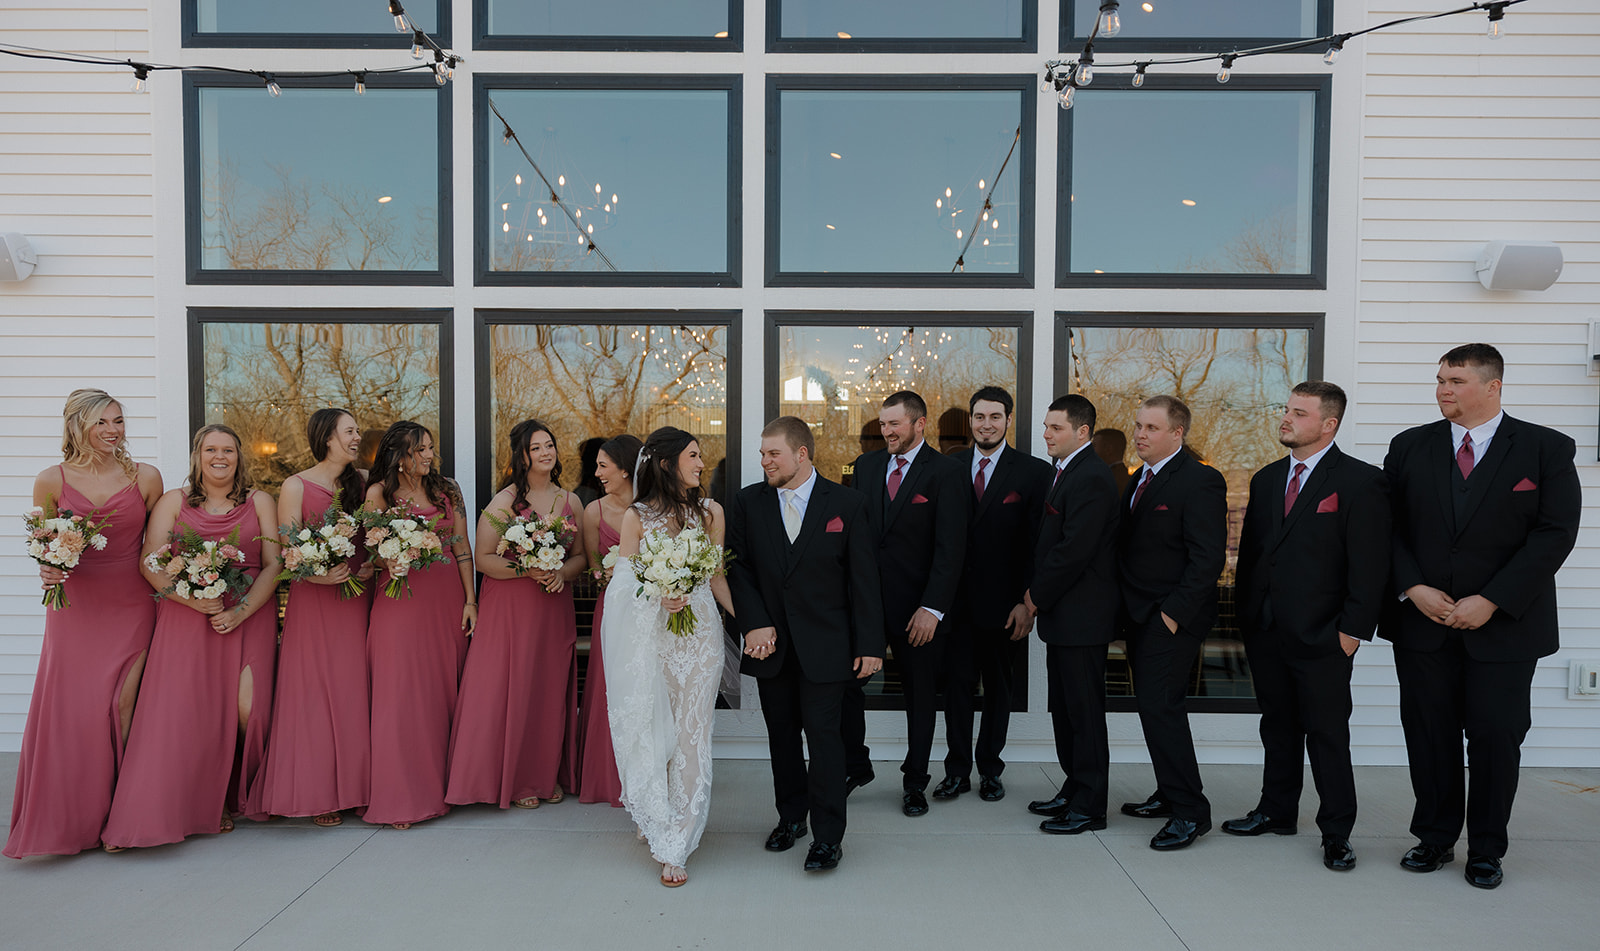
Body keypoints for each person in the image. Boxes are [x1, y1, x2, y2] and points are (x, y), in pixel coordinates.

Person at [1381, 344, 1580, 889]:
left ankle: (1487, 849)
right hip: (1422, 622)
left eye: (1456, 380)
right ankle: (1434, 838)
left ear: (1493, 386)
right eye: (1440, 379)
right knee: (1429, 735)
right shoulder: (1409, 446)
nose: (1443, 389)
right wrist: (1413, 587)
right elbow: (1386, 526)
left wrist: (1491, 599)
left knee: (1496, 739)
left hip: (1506, 627)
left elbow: (1554, 534)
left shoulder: (1546, 448)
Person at [1225, 382, 1390, 872]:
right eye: (1287, 409)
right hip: (1267, 630)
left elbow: (1370, 564)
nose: (1286, 418)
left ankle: (1336, 833)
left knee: (1327, 735)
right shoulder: (1266, 479)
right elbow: (1253, 555)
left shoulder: (1362, 481)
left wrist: (1352, 632)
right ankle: (1276, 812)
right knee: (1277, 726)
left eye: (1299, 413)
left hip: (1325, 635)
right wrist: (1245, 616)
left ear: (1328, 424)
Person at [102, 424, 282, 849]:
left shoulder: (260, 501)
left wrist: (240, 610)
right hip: (186, 616)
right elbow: (149, 562)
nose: (220, 457)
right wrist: (193, 601)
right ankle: (204, 801)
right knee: (189, 713)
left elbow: (274, 564)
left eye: (228, 450)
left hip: (246, 612)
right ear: (197, 456)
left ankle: (239, 791)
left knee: (249, 710)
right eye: (210, 450)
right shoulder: (173, 501)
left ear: (239, 457)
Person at [6, 389, 164, 858]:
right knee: (77, 712)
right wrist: (47, 567)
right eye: (101, 423)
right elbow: (45, 543)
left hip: (132, 602)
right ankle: (76, 819)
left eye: (118, 421)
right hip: (75, 608)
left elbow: (159, 546)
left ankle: (124, 817)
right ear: (77, 426)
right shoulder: (50, 480)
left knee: (123, 705)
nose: (113, 431)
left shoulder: (146, 478)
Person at [728, 417, 884, 872]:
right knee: (782, 739)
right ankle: (791, 818)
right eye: (762, 454)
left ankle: (828, 838)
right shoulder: (748, 502)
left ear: (802, 454)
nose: (765, 461)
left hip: (829, 648)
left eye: (773, 453)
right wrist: (754, 624)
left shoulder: (848, 503)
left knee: (826, 741)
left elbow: (864, 579)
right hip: (771, 648)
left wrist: (871, 644)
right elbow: (737, 569)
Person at [600, 426, 735, 887]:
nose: (701, 464)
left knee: (693, 734)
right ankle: (655, 811)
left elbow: (716, 575)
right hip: (655, 636)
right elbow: (622, 585)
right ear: (666, 462)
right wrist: (659, 595)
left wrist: (751, 621)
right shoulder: (636, 517)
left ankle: (678, 839)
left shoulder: (711, 512)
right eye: (693, 455)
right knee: (658, 730)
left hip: (702, 637)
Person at [447, 420, 586, 811]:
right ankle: (518, 778)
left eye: (549, 445)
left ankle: (546, 773)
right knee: (517, 687)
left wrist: (561, 573)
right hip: (513, 609)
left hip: (553, 607)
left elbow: (580, 557)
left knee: (549, 688)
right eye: (535, 447)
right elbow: (483, 559)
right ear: (522, 456)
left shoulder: (570, 501)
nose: (545, 452)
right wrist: (527, 570)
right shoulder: (504, 502)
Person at [841, 391, 967, 817]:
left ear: (919, 424)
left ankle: (915, 782)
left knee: (920, 699)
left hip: (919, 612)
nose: (887, 431)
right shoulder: (866, 466)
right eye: (883, 424)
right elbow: (857, 538)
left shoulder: (947, 472)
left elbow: (952, 548)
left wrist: (933, 608)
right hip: (866, 608)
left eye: (894, 424)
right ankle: (856, 765)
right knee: (845, 687)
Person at [1116, 396, 1227, 851]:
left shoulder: (1201, 480)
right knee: (1153, 709)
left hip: (1172, 618)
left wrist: (1171, 616)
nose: (1140, 434)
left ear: (1177, 433)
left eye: (1152, 428)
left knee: (1162, 709)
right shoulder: (1138, 478)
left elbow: (1208, 558)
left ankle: (1190, 812)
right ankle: (1168, 792)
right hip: (1138, 616)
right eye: (1138, 426)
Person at [259, 408, 376, 829]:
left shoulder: (366, 483)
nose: (357, 437)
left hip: (358, 597)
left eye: (357, 431)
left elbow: (377, 536)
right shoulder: (295, 485)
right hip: (313, 601)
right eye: (350, 431)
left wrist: (374, 562)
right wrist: (318, 573)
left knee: (354, 689)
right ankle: (318, 791)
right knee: (313, 692)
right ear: (327, 437)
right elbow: (287, 548)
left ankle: (359, 789)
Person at [937, 387, 1050, 803]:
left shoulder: (1034, 473)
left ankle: (990, 770)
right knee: (956, 691)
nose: (987, 425)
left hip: (1006, 607)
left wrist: (1028, 602)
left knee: (999, 692)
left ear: (1008, 420)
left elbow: (1039, 544)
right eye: (980, 417)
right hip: (954, 607)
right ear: (971, 421)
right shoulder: (948, 467)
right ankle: (956, 772)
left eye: (995, 417)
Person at [363, 421, 476, 830]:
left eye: (431, 447)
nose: (430, 455)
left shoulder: (449, 490)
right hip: (399, 605)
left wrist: (471, 600)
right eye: (421, 449)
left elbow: (461, 545)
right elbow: (371, 550)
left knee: (442, 694)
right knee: (400, 699)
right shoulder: (379, 494)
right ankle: (402, 798)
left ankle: (448, 788)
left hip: (445, 603)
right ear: (399, 455)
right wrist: (387, 560)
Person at [1024, 395, 1120, 835]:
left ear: (1083, 432)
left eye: (1055, 428)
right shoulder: (1064, 471)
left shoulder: (1092, 477)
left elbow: (1073, 550)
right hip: (1064, 618)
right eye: (1046, 426)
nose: (1046, 434)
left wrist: (1034, 596)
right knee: (1065, 712)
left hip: (1082, 618)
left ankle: (1091, 806)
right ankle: (1074, 788)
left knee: (1084, 716)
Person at [577, 433, 643, 807]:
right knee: (610, 686)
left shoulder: (653, 508)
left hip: (650, 609)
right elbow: (593, 570)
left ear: (625, 469)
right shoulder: (593, 512)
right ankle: (605, 776)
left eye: (603, 466)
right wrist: (606, 574)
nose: (598, 473)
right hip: (613, 609)